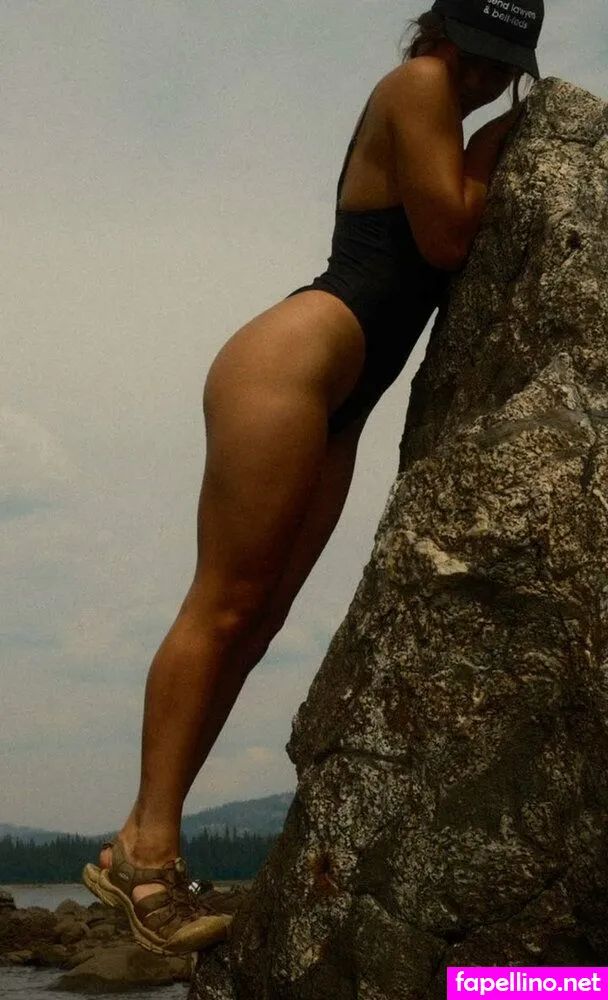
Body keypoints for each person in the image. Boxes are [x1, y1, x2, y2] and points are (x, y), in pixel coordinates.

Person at [83, 0, 544, 957]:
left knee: (257, 625)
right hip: (291, 363)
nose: (482, 77)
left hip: (340, 394)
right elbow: (447, 239)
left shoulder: (441, 102)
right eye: (474, 54)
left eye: (503, 64)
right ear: (440, 34)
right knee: (223, 604)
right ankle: (150, 857)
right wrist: (492, 148)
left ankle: (138, 840)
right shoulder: (417, 84)